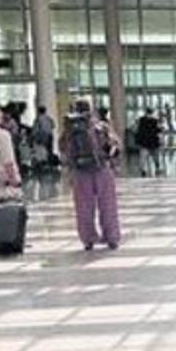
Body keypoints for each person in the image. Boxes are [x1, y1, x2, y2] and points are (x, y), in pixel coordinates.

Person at [59, 98, 122, 250]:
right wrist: (114, 161)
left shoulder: (69, 128)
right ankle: (111, 237)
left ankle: (88, 239)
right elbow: (115, 145)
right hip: (102, 168)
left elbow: (62, 148)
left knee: (83, 206)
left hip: (80, 171)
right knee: (107, 204)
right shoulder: (101, 126)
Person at [136, 107, 163, 177]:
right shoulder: (155, 121)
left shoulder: (141, 120)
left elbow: (138, 130)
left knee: (143, 157)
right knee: (155, 157)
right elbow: (158, 130)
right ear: (152, 112)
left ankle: (142, 170)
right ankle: (157, 168)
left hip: (144, 142)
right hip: (153, 142)